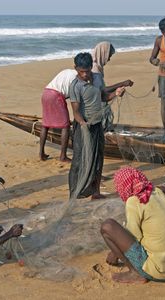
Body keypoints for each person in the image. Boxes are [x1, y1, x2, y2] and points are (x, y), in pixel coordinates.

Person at [100, 167, 165, 284]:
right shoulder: (157, 192)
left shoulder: (133, 201)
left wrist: (114, 252)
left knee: (107, 226)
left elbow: (134, 236)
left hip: (158, 271)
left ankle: (135, 273)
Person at [68, 52, 126, 200]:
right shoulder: (75, 86)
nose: (85, 74)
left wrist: (116, 94)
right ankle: (75, 193)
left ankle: (96, 192)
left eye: (87, 71)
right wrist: (83, 124)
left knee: (98, 159)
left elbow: (103, 97)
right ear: (76, 69)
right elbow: (75, 111)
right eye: (82, 71)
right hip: (83, 127)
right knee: (79, 160)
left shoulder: (98, 78)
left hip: (97, 124)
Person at [92, 41, 134, 131]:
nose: (109, 59)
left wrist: (120, 87)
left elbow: (102, 89)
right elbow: (102, 92)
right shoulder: (94, 69)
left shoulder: (97, 66)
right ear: (102, 53)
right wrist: (121, 85)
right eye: (108, 56)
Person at [39, 69, 77, 162]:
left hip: (46, 93)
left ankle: (41, 153)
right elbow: (73, 97)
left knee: (45, 125)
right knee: (65, 126)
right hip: (55, 96)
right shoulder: (77, 78)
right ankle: (63, 156)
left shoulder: (67, 71)